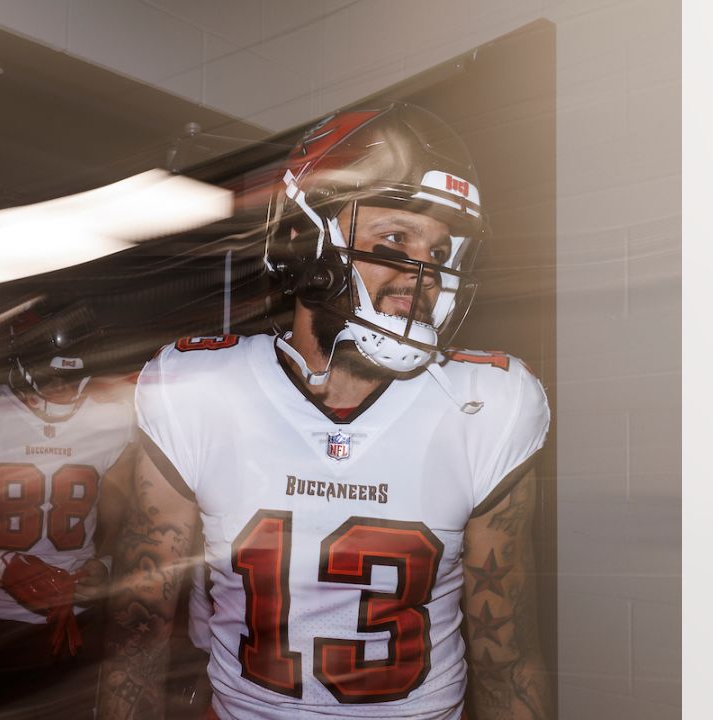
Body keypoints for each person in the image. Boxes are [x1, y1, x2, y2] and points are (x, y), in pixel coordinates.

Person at [98, 103, 551, 719]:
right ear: (303, 238)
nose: (427, 275)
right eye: (395, 238)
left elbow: (507, 655)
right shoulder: (202, 389)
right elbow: (136, 641)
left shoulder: (484, 403)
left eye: (441, 249)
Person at [0, 302, 135, 718]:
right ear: (20, 361)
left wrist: (106, 565)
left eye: (73, 375)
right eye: (52, 374)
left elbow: (124, 523)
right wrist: (2, 565)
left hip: (78, 622)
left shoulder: (112, 416)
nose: (64, 388)